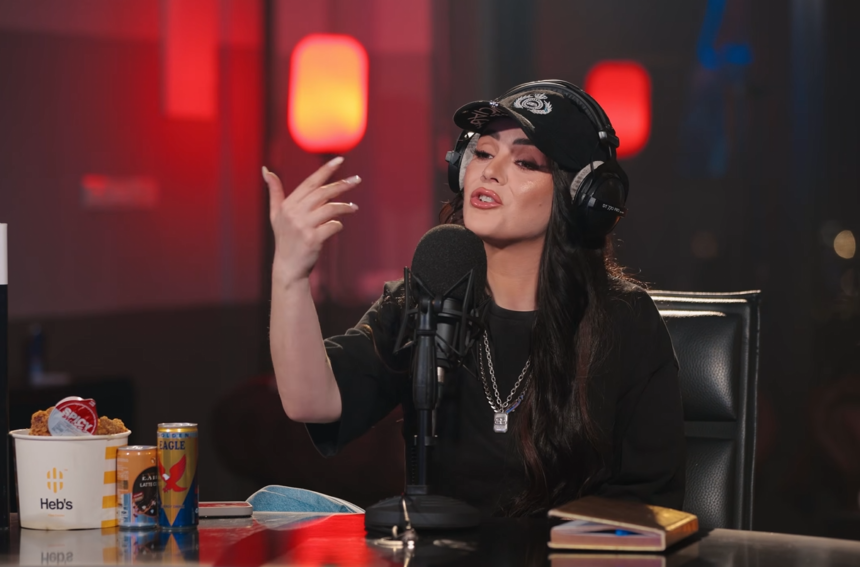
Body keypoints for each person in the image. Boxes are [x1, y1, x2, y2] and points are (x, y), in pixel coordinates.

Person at [264, 80, 686, 517]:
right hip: (439, 543)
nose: (490, 172)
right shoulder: (427, 297)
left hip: (562, 548)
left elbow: (648, 503)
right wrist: (290, 274)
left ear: (582, 197)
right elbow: (311, 401)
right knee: (274, 504)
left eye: (524, 162)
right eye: (483, 153)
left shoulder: (624, 319)